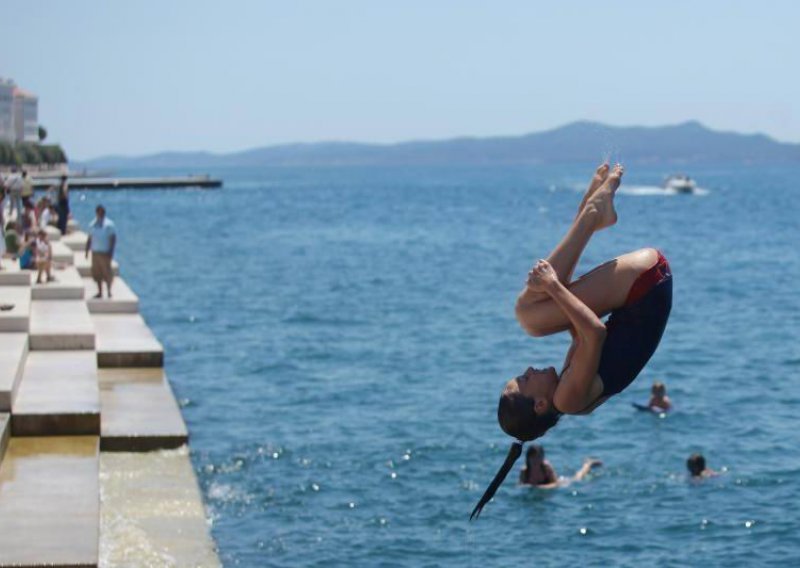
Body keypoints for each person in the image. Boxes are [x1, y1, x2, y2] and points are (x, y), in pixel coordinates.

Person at [471, 163, 673, 519]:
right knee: (530, 314)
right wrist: (551, 285)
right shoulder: (568, 396)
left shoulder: (570, 397)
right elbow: (593, 331)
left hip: (646, 288)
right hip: (645, 285)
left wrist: (555, 291)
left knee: (534, 311)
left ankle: (593, 213)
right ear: (539, 405)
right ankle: (592, 214)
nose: (529, 368)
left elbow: (583, 333)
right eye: (525, 379)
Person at [519, 445, 602, 489]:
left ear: (542, 458)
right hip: (539, 489)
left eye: (539, 457)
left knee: (578, 478)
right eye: (533, 457)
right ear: (528, 458)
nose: (536, 460)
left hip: (561, 482)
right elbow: (520, 486)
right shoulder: (525, 471)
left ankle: (588, 464)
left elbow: (556, 483)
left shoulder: (546, 467)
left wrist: (539, 488)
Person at [85, 204, 116, 298]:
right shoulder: (92, 224)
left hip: (105, 252)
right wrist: (86, 251)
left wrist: (111, 251)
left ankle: (109, 291)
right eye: (98, 212)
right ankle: (100, 292)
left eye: (102, 212)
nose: (100, 214)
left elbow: (113, 238)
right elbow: (89, 238)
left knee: (107, 273)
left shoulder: (109, 224)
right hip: (95, 252)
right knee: (97, 273)